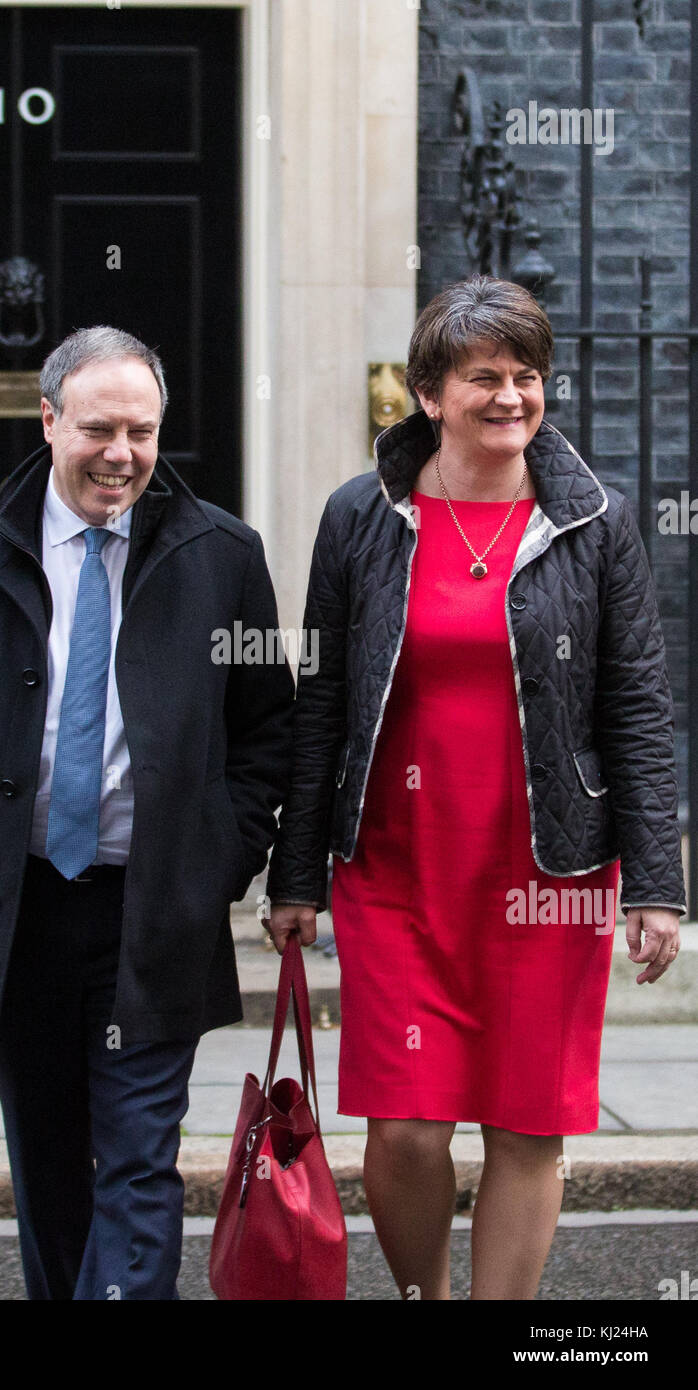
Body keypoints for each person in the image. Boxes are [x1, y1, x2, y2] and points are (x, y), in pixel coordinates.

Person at [0, 325, 294, 1301]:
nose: (122, 455)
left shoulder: (224, 555)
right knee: (50, 1167)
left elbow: (269, 730)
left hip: (150, 908)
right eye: (99, 428)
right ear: (48, 420)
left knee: (137, 1160)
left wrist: (216, 861)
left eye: (142, 432)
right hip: (11, 916)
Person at [264, 276, 685, 1301]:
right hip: (396, 867)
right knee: (403, 1127)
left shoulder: (591, 522)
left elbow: (634, 700)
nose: (510, 397)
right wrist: (294, 870)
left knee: (524, 1121)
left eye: (526, 375)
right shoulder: (361, 519)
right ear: (426, 394)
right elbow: (321, 698)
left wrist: (655, 883)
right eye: (482, 377)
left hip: (546, 870)